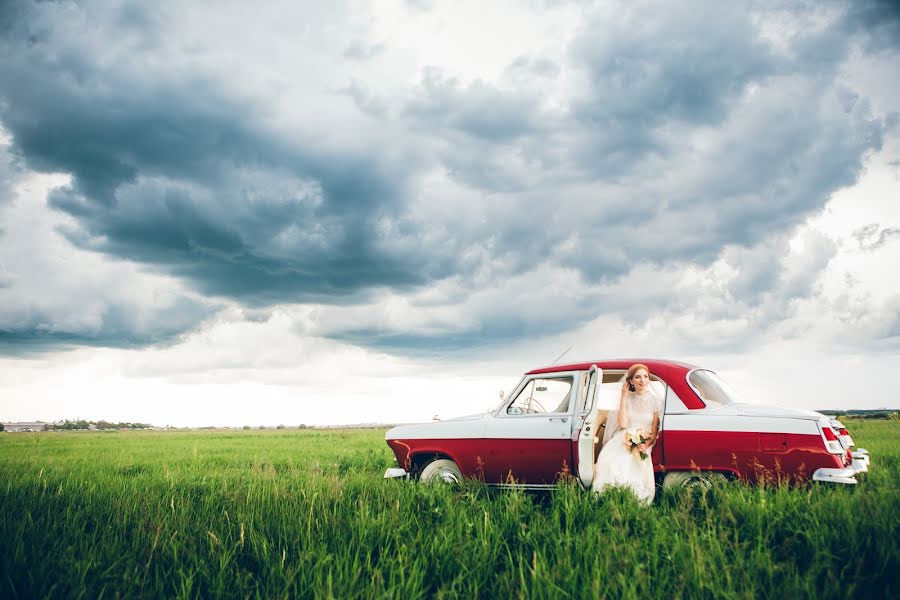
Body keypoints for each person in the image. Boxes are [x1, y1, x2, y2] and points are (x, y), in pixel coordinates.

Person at [592, 363, 662, 503]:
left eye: (645, 376)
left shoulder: (656, 401)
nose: (642, 380)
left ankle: (634, 498)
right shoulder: (627, 398)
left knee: (631, 460)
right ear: (631, 381)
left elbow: (654, 432)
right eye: (637, 377)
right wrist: (624, 397)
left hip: (645, 439)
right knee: (611, 459)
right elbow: (623, 424)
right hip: (625, 436)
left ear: (648, 379)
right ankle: (612, 497)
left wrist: (646, 444)